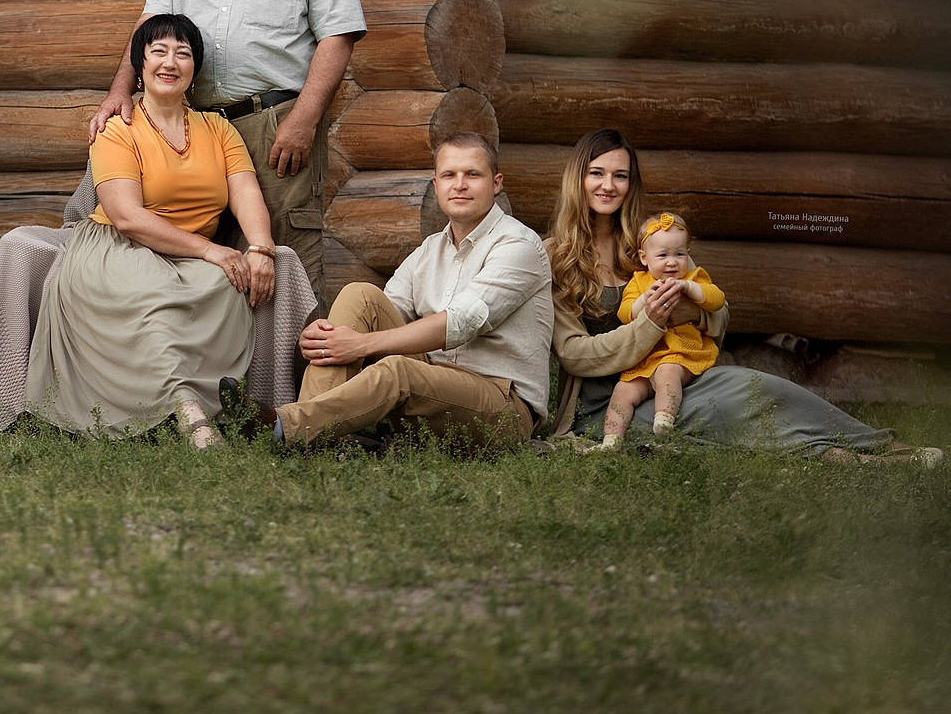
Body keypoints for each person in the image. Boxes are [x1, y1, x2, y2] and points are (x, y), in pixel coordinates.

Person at [90, 0, 364, 304]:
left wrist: (303, 119)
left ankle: (298, 382)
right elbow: (153, 22)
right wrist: (119, 90)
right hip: (192, 125)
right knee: (200, 254)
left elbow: (337, 37)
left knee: (279, 255)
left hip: (274, 124)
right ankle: (213, 378)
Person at [545, 128, 938, 464]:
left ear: (632, 184)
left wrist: (691, 314)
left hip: (676, 376)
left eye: (620, 175)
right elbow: (574, 354)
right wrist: (651, 324)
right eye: (596, 173)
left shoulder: (649, 242)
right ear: (577, 178)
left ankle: (880, 444)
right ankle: (847, 459)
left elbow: (719, 312)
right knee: (724, 415)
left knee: (760, 387)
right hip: (608, 405)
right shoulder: (555, 256)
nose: (608, 186)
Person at [25, 14, 277, 450]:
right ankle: (188, 413)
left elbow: (246, 191)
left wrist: (260, 248)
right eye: (158, 51)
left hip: (190, 256)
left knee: (222, 288)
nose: (170, 62)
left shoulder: (218, 129)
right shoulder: (117, 128)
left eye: (182, 53)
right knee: (150, 304)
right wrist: (210, 249)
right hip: (117, 247)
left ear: (194, 68)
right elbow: (127, 217)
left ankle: (220, 404)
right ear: (139, 66)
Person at [244, 134, 553, 449]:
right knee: (359, 295)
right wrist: (328, 337)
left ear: (496, 183)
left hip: (501, 405)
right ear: (436, 184)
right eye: (449, 175)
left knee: (398, 370)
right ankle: (313, 435)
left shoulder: (518, 245)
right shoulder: (430, 250)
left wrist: (359, 345)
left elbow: (460, 323)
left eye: (472, 174)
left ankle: (290, 426)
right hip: (432, 389)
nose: (459, 184)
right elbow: (381, 312)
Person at [602, 211, 724, 447]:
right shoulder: (639, 282)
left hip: (681, 354)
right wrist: (643, 302)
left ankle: (664, 421)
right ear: (644, 257)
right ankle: (611, 439)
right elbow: (624, 313)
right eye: (663, 255)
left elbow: (716, 299)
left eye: (679, 254)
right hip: (645, 361)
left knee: (667, 372)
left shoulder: (694, 277)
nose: (672, 261)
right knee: (623, 390)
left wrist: (688, 288)